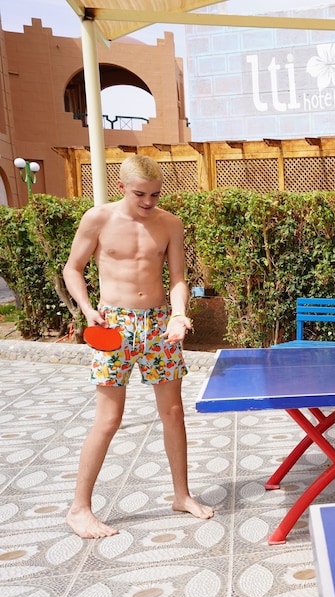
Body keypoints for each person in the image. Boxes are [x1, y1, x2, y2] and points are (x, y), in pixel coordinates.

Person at [62, 154, 214, 538]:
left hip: (159, 323)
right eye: (140, 194)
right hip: (113, 324)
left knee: (173, 412)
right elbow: (72, 268)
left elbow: (178, 278)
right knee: (108, 419)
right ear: (122, 187)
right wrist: (87, 308)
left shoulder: (170, 223)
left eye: (155, 194)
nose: (148, 201)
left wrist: (178, 314)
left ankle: (182, 495)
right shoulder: (98, 219)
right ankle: (79, 509)